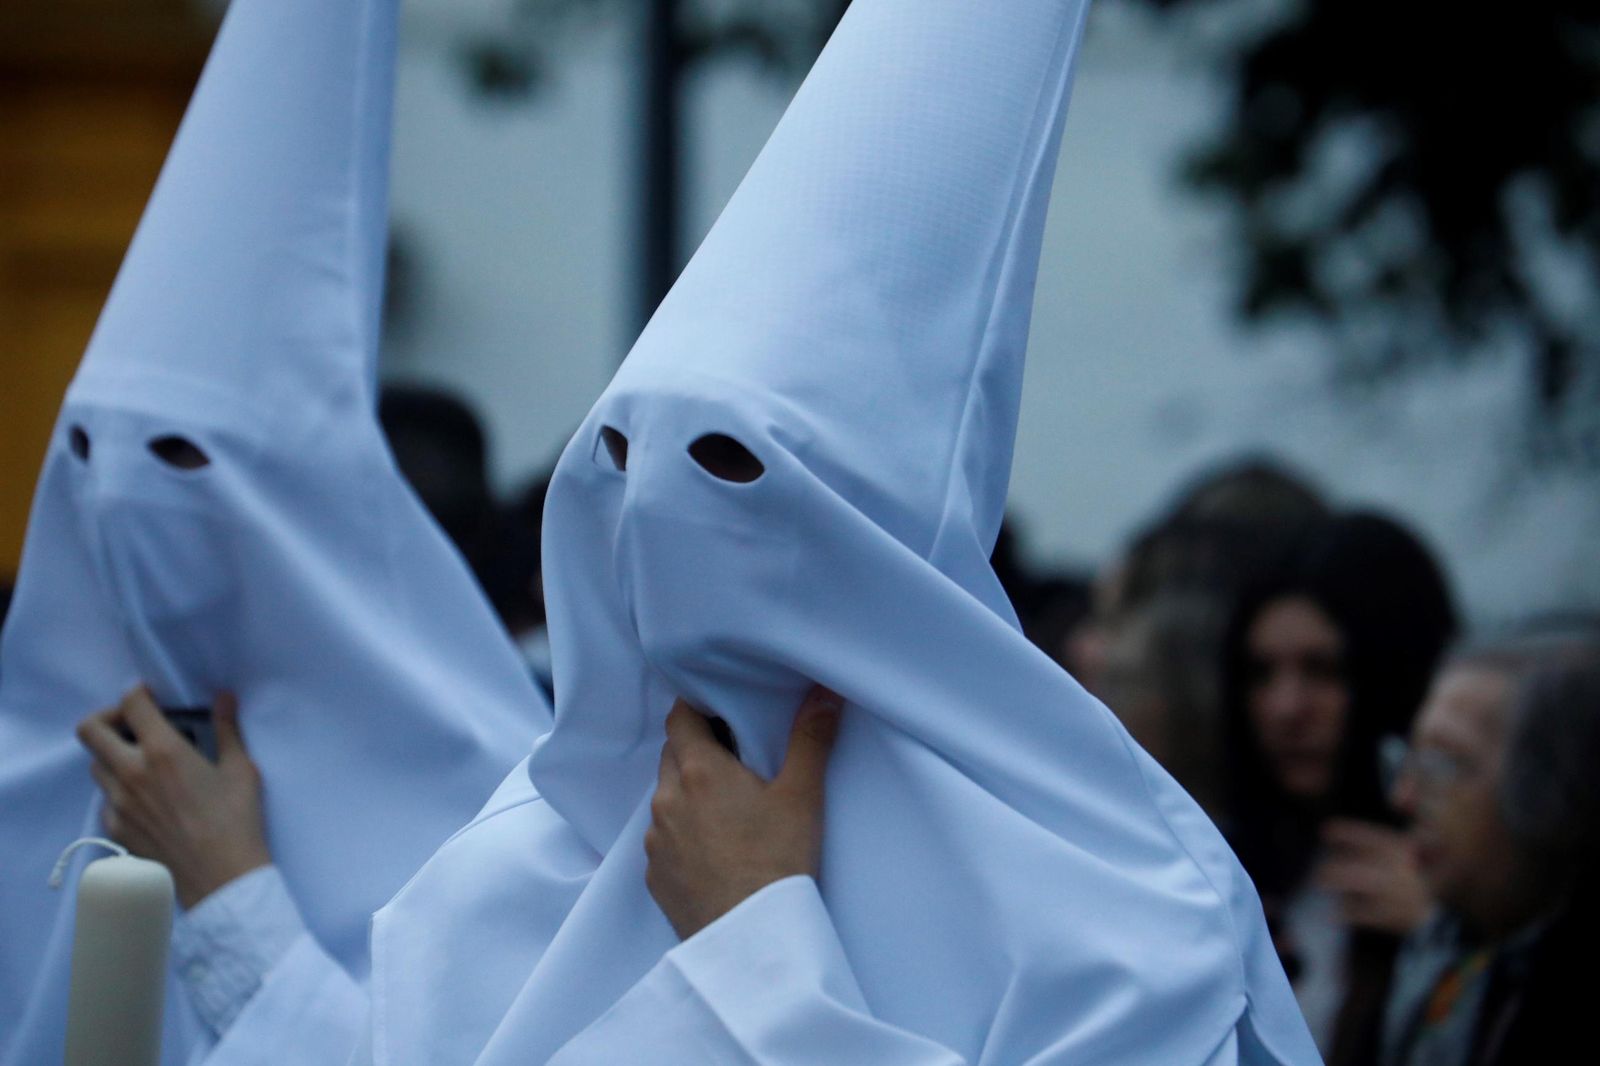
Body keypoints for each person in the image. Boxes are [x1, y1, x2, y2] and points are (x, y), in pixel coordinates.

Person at [354, 1, 1320, 1062]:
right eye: (619, 459)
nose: (661, 514)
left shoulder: (1109, 926)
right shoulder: (495, 876)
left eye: (734, 463)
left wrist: (751, 951)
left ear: (873, 516)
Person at [0, 1, 547, 1063]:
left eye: (182, 458)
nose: (122, 501)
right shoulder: (42, 757)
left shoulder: (509, 809)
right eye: (86, 456)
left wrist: (225, 885)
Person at [1220, 512, 1458, 1064]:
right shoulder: (1222, 876)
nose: (1286, 708)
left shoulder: (1481, 886)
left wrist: (1445, 942)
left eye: (1324, 670)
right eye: (1260, 673)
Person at [1381, 627, 1600, 1066]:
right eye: (1410, 758)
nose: (1403, 797)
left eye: (1442, 763)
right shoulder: (1445, 953)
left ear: (1553, 785)